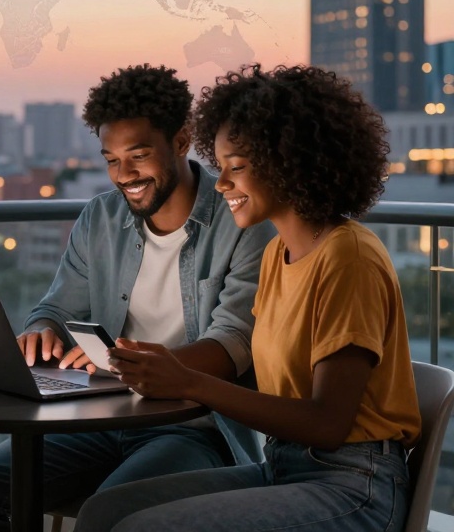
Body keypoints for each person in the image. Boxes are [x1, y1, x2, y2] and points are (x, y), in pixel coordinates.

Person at [75, 63, 420, 532]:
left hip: (353, 486)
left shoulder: (348, 258)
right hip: (283, 466)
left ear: (289, 160)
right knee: (103, 513)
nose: (220, 185)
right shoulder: (279, 252)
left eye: (236, 168)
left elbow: (327, 424)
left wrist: (189, 381)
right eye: (220, 168)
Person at [0, 64, 275, 532]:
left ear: (180, 142)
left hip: (195, 429)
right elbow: (57, 309)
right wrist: (41, 332)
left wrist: (155, 368)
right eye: (111, 159)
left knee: (107, 514)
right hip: (100, 418)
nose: (125, 175)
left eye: (138, 156)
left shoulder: (241, 222)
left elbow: (233, 346)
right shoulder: (100, 218)